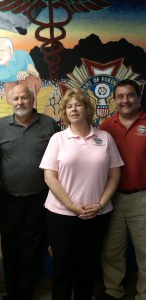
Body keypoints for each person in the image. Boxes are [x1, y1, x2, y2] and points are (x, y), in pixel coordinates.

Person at [39, 87, 124, 300]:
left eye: (78, 104)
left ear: (88, 109)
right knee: (63, 269)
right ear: (64, 112)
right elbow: (50, 177)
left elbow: (114, 175)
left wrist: (101, 204)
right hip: (62, 215)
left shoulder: (105, 138)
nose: (73, 109)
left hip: (97, 214)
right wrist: (71, 206)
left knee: (89, 268)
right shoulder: (58, 139)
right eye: (69, 106)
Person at [0, 84, 59, 300]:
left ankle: (25, 294)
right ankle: (12, 294)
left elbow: (60, 161)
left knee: (32, 248)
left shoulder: (49, 124)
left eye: (24, 98)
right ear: (10, 102)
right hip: (9, 199)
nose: (20, 102)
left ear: (33, 100)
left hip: (40, 199)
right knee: (10, 248)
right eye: (16, 99)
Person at [99, 79, 146, 300]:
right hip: (112, 198)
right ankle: (113, 291)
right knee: (112, 250)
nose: (125, 100)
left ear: (138, 97)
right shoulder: (106, 126)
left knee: (145, 251)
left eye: (130, 95)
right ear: (114, 99)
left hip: (142, 198)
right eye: (120, 96)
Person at [0, 37, 41, 108]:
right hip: (12, 83)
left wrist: (27, 72)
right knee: (10, 98)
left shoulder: (22, 55)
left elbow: (35, 73)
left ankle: (32, 112)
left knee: (27, 81)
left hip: (31, 81)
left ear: (9, 50)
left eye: (1, 50)